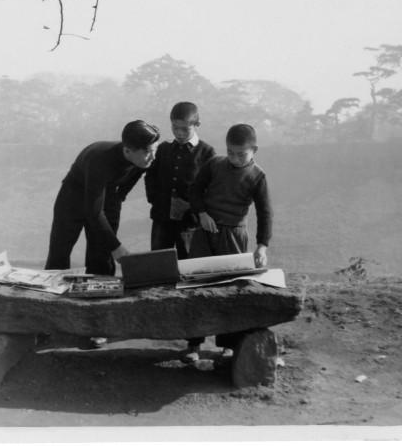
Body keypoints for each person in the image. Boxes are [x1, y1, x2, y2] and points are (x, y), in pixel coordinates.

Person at [184, 123, 273, 363]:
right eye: (230, 152)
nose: (234, 158)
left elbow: (265, 214)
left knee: (229, 289)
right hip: (205, 232)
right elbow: (195, 191)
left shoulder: (258, 177)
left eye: (241, 154)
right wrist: (201, 214)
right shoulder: (214, 164)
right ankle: (194, 344)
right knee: (196, 285)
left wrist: (262, 246)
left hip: (234, 235)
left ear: (254, 150)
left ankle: (228, 345)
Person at [45, 120, 160, 276]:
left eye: (155, 150)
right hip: (73, 198)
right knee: (59, 253)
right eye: (148, 152)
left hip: (108, 194)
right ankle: (51, 295)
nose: (153, 157)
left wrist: (118, 199)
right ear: (128, 150)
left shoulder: (145, 159)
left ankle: (101, 294)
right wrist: (116, 247)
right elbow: (93, 212)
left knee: (102, 255)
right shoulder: (99, 160)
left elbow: (130, 180)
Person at [144, 102, 215, 259]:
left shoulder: (207, 152)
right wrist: (155, 199)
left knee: (188, 264)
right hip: (161, 218)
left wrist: (195, 208)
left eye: (185, 129)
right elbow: (150, 176)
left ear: (197, 125)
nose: (179, 133)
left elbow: (211, 187)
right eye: (175, 128)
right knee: (159, 261)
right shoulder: (163, 149)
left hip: (190, 223)